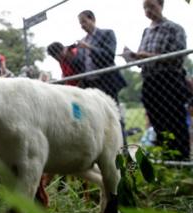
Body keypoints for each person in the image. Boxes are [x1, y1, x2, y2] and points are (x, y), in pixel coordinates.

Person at [126, 0, 191, 160]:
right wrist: (133, 57)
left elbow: (177, 56)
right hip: (149, 79)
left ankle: (181, 158)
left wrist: (146, 55)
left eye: (151, 6)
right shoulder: (146, 31)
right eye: (145, 8)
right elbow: (142, 61)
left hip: (169, 79)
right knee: (156, 121)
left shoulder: (174, 28)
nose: (148, 11)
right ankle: (165, 155)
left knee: (174, 119)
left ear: (161, 6)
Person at [76, 10, 126, 102]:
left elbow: (109, 55)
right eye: (80, 23)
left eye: (84, 21)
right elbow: (80, 63)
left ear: (93, 19)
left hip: (106, 80)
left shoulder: (107, 33)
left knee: (111, 109)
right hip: (90, 83)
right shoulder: (82, 41)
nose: (82, 26)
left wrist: (89, 47)